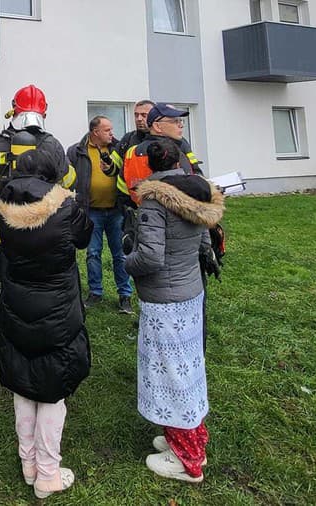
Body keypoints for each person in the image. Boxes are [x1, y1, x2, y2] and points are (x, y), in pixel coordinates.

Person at [0, 149, 92, 499]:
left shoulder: (1, 204)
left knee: (22, 382)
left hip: (15, 300)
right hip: (57, 305)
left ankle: (28, 463)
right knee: (52, 390)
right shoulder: (65, 207)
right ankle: (48, 473)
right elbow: (84, 237)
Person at [124, 139, 224, 483]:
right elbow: (204, 243)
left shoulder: (155, 201)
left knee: (171, 373)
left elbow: (150, 257)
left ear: (149, 166)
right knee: (188, 367)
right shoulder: (199, 192)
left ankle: (187, 458)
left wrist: (126, 261)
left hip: (164, 300)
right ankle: (187, 434)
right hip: (190, 293)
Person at [0, 84, 75, 247]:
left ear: (14, 110)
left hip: (6, 233)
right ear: (43, 113)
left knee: (7, 272)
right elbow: (69, 183)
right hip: (45, 230)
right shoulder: (53, 144)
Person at [67, 116, 134, 312]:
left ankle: (125, 296)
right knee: (93, 253)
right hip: (91, 211)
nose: (112, 133)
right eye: (107, 130)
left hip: (116, 210)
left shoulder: (118, 149)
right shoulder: (76, 151)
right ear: (95, 132)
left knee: (120, 254)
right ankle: (95, 292)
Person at [121, 103, 202, 204]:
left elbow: (123, 184)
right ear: (157, 126)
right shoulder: (171, 152)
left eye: (181, 121)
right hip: (171, 214)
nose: (180, 125)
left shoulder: (131, 151)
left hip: (141, 210)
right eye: (175, 121)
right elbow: (188, 190)